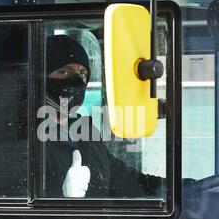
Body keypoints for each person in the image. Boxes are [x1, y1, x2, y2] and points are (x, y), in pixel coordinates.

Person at [42, 35, 165, 199]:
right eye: (64, 72)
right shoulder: (28, 139)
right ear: (42, 79)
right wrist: (64, 197)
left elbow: (126, 181)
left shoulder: (85, 133)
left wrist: (181, 188)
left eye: (82, 73)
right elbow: (14, 208)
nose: (77, 81)